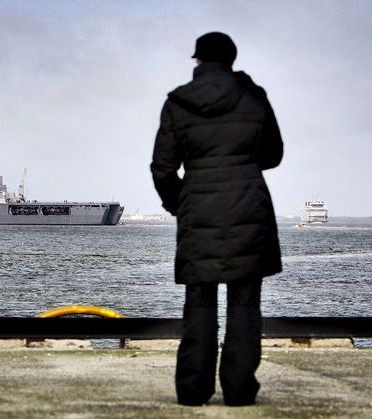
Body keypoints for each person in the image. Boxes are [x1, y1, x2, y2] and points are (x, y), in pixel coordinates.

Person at [151, 32, 283, 406]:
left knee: (199, 303)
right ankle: (240, 392)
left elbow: (162, 168)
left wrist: (181, 203)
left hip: (199, 211)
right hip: (248, 208)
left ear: (197, 60)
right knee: (245, 305)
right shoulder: (254, 97)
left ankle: (193, 391)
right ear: (232, 59)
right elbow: (273, 154)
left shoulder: (177, 102)